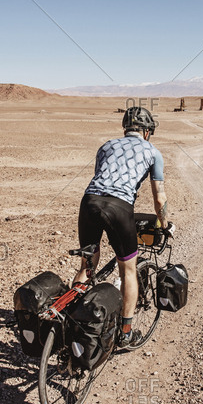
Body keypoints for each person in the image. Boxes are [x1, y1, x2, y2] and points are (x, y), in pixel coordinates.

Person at [74, 106, 172, 348]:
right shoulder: (152, 152)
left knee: (88, 264)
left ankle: (73, 321)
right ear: (147, 131)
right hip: (119, 207)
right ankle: (126, 333)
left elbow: (103, 179)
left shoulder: (106, 146)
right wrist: (165, 223)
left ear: (125, 129)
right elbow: (159, 198)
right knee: (127, 270)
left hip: (89, 202)